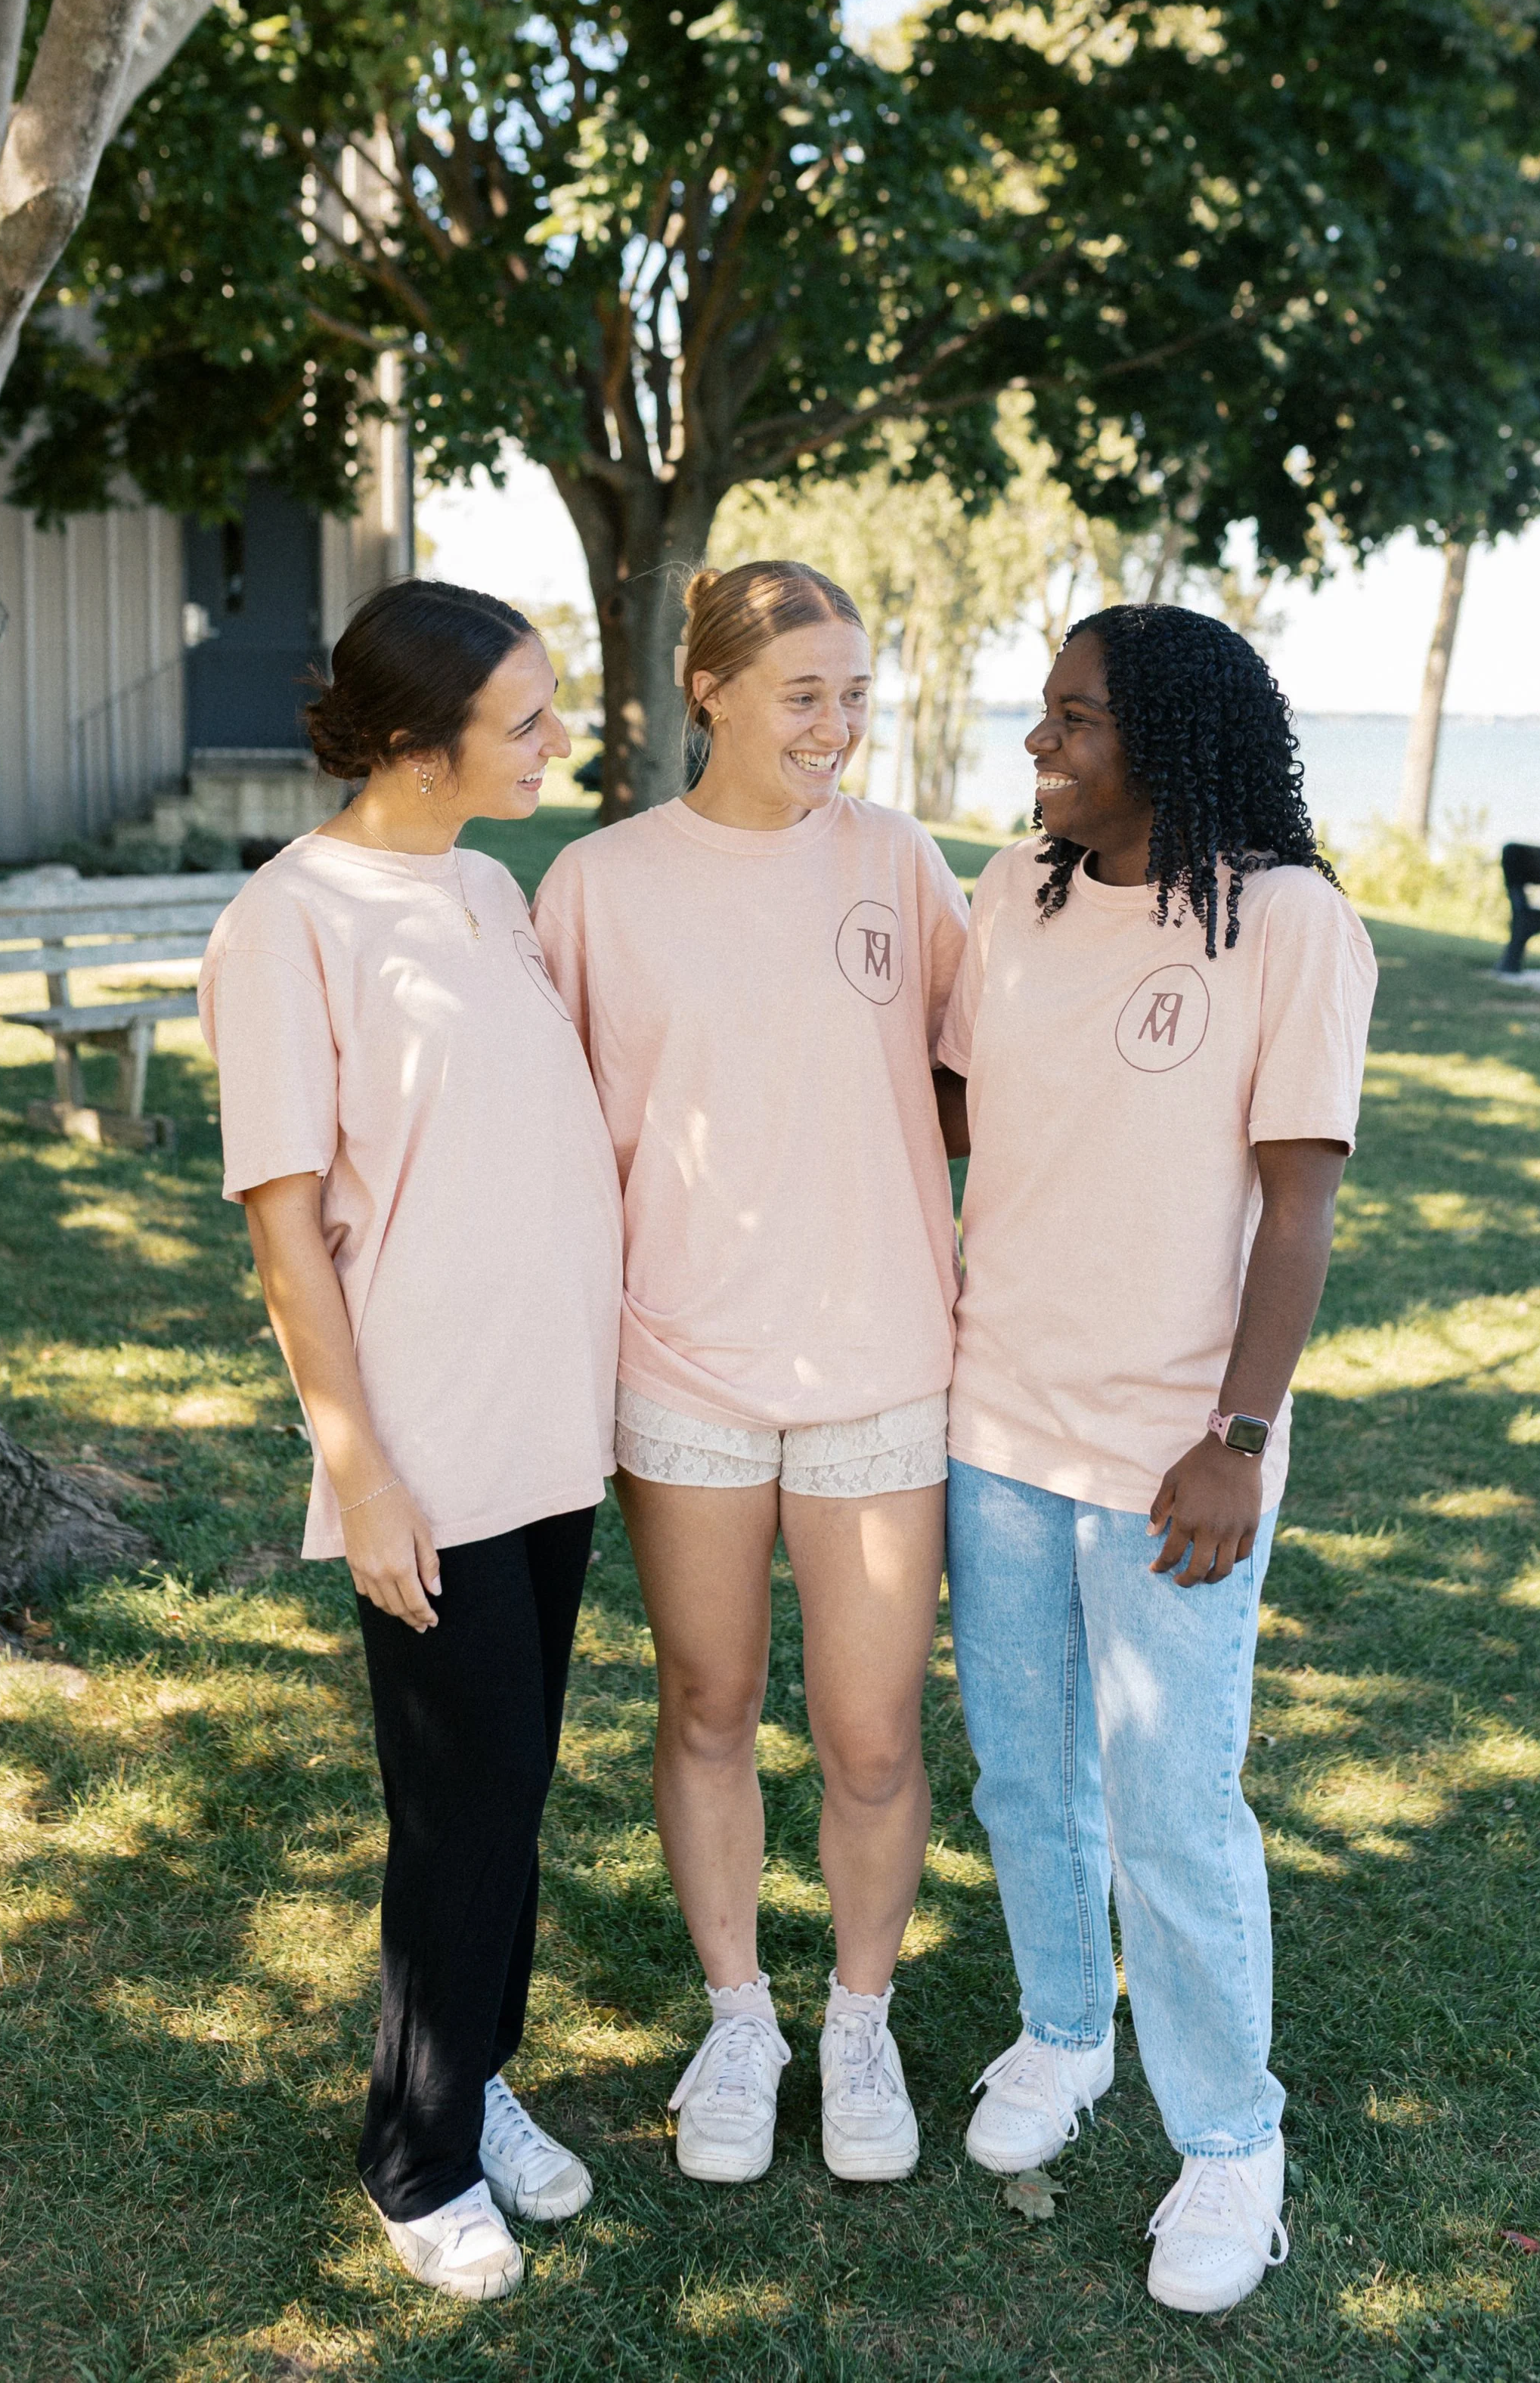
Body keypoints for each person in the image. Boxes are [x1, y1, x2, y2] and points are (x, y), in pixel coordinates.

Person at [934, 603, 1376, 2315]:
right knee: (1025, 1772)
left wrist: (1235, 1435)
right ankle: (1061, 2030)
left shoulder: (1287, 925)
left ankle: (1226, 2138)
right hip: (993, 1418)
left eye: (1071, 719)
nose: (1037, 744)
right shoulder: (1013, 892)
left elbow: (1298, 1203)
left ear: (1173, 743)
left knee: (1172, 1805)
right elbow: (962, 1102)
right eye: (1040, 712)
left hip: (1170, 1449)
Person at [197, 580, 623, 2305]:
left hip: (551, 1421)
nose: (554, 743)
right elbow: (287, 1227)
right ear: (411, 738)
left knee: (508, 1790)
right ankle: (415, 2155)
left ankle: (470, 2070)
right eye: (523, 721)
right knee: (458, 1804)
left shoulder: (487, 887)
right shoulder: (289, 923)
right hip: (429, 1441)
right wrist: (359, 1466)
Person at [533, 561, 969, 2187]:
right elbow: (550, 1130)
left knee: (867, 1736)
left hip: (877, 1360)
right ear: (707, 689)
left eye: (857, 696)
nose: (836, 728)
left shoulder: (899, 860)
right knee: (708, 1703)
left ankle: (858, 2020)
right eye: (804, 695)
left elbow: (976, 1074)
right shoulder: (594, 884)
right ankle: (737, 2018)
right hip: (680, 1362)